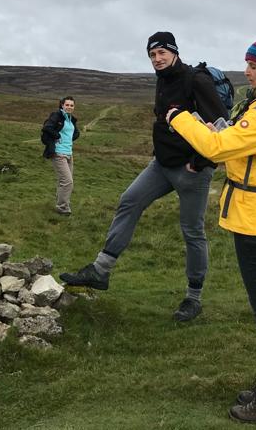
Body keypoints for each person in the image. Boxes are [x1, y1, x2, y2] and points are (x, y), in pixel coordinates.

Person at [165, 27, 256, 425]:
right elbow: (240, 149)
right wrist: (222, 133)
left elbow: (216, 149)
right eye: (247, 64)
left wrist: (180, 118)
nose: (246, 71)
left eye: (254, 66)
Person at [60, 31, 227, 321]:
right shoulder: (163, 80)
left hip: (192, 171)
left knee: (192, 231)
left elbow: (223, 127)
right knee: (129, 201)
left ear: (174, 52)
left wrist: (200, 163)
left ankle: (193, 298)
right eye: (152, 55)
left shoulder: (196, 80)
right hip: (161, 165)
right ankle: (100, 270)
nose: (157, 59)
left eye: (162, 53)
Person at [41, 96, 80, 215]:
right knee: (67, 181)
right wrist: (58, 136)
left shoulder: (70, 119)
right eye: (67, 105)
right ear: (62, 105)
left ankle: (61, 203)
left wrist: (71, 138)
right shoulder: (57, 116)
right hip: (58, 153)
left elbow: (75, 132)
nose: (69, 107)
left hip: (69, 153)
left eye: (71, 105)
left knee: (63, 181)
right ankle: (62, 208)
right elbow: (47, 127)